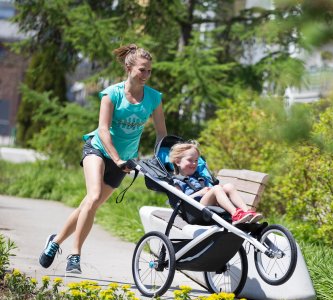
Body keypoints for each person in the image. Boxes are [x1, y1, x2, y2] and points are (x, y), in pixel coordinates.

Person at [39, 43, 167, 274]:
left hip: (125, 159)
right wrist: (116, 158)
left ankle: (55, 241)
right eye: (142, 70)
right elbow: (103, 130)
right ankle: (75, 255)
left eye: (149, 71)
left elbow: (161, 134)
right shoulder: (112, 94)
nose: (146, 75)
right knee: (94, 196)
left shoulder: (154, 98)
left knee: (90, 204)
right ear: (129, 68)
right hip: (98, 150)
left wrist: (162, 159)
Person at [168, 142, 263, 224]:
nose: (194, 163)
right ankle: (235, 214)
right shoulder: (177, 182)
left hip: (206, 204)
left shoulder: (199, 177)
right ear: (178, 162)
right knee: (217, 188)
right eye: (190, 160)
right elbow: (180, 202)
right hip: (194, 210)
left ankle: (247, 213)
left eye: (196, 160)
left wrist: (217, 189)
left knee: (228, 186)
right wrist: (200, 193)